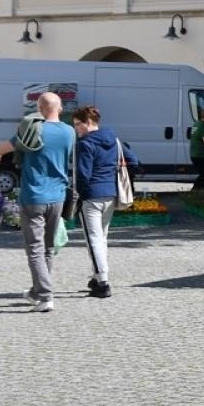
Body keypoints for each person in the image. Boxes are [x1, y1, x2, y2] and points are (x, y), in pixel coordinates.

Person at [0, 92, 76, 312]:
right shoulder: (70, 132)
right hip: (58, 196)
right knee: (47, 247)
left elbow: (4, 148)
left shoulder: (33, 129)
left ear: (39, 108)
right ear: (61, 108)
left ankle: (46, 296)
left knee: (35, 249)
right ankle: (37, 291)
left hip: (33, 196)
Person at [69, 106, 138, 300]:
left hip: (91, 196)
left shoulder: (85, 144)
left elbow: (83, 174)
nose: (76, 129)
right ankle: (97, 276)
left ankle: (103, 282)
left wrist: (79, 194)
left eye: (77, 124)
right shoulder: (113, 139)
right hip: (111, 194)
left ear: (89, 122)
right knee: (101, 238)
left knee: (93, 240)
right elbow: (133, 161)